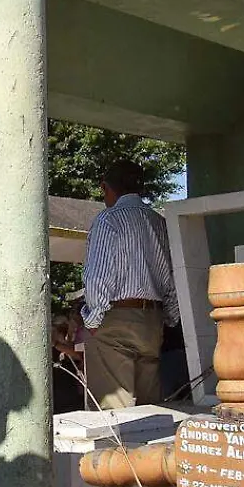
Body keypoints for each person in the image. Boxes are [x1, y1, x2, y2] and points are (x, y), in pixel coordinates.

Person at [81, 160, 179, 408]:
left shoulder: (108, 220)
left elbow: (98, 276)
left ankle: (118, 449)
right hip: (152, 319)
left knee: (115, 409)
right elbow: (173, 275)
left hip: (116, 316)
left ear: (106, 187)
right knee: (150, 408)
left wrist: (93, 319)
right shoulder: (159, 222)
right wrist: (168, 317)